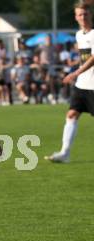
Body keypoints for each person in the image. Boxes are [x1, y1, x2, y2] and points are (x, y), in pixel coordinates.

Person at [46, 2, 94, 163]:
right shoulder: (79, 35)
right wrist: (76, 68)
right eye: (79, 14)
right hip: (82, 84)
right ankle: (65, 153)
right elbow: (85, 58)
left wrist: (76, 72)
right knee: (72, 114)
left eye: (85, 14)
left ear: (90, 14)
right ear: (75, 17)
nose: (83, 17)